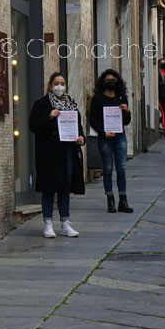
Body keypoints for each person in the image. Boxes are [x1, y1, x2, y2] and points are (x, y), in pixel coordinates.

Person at [29, 72, 86, 238]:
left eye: (62, 83)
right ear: (50, 86)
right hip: (48, 152)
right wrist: (49, 117)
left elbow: (78, 126)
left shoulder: (71, 104)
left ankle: (65, 222)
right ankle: (47, 222)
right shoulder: (41, 104)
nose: (59, 86)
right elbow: (33, 126)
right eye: (56, 83)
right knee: (49, 188)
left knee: (65, 187)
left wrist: (81, 139)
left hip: (67, 151)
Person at [88, 69, 134, 214]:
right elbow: (93, 120)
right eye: (108, 80)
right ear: (103, 82)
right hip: (105, 138)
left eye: (113, 80)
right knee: (107, 169)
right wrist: (103, 132)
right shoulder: (98, 99)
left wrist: (127, 111)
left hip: (120, 136)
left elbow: (126, 121)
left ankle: (123, 200)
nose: (110, 82)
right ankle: (110, 199)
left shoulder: (121, 98)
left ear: (117, 82)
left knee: (121, 168)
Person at [157, 58, 165, 138]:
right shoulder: (158, 73)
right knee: (164, 113)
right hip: (160, 96)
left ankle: (159, 122)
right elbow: (158, 84)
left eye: (164, 63)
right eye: (162, 63)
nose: (163, 64)